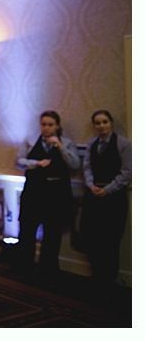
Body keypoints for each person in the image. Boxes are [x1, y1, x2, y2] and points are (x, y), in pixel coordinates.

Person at [15, 110, 80, 280]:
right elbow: (18, 161)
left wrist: (60, 147)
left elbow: (74, 164)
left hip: (56, 195)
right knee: (27, 231)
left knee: (52, 234)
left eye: (50, 125)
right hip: (33, 192)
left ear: (57, 126)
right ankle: (24, 267)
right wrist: (36, 163)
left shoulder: (67, 143)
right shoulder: (30, 141)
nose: (46, 128)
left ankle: (48, 270)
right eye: (43, 124)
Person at [79, 109, 131, 288]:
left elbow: (126, 172)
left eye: (105, 122)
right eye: (98, 123)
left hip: (114, 199)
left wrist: (107, 189)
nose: (101, 126)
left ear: (111, 123)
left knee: (110, 239)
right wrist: (91, 184)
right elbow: (87, 167)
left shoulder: (124, 144)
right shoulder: (91, 144)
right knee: (94, 238)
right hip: (93, 196)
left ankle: (109, 280)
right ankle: (97, 277)